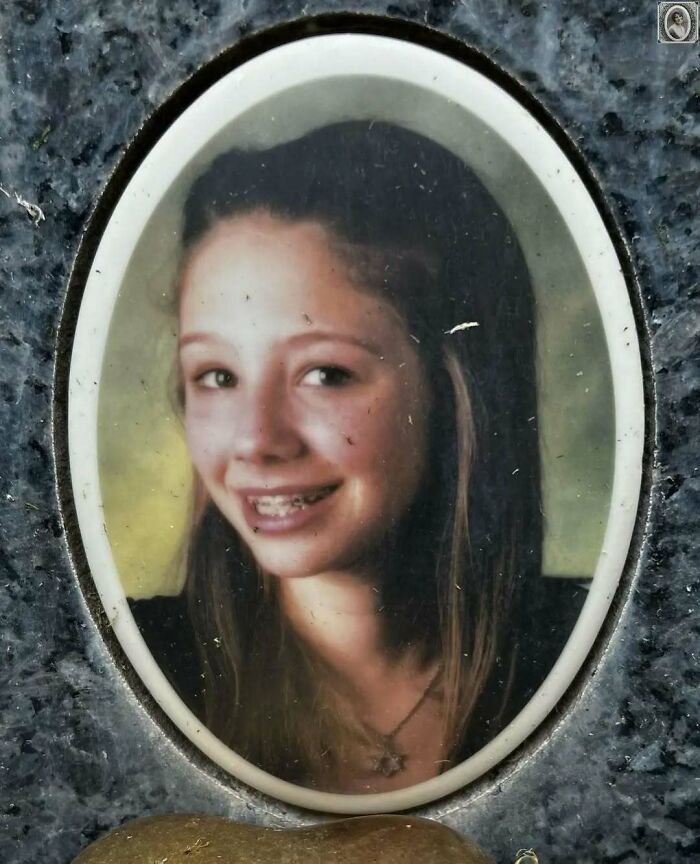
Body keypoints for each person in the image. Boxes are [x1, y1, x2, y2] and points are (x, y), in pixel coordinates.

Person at [130, 121, 586, 794]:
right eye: (217, 376)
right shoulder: (134, 671)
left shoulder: (597, 662)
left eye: (325, 374)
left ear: (453, 386)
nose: (256, 440)